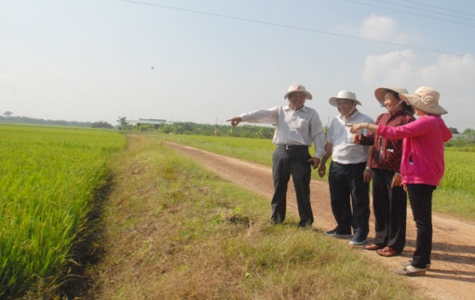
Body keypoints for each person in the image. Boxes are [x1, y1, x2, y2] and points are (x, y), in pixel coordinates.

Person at [347, 86, 452, 276]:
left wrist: (363, 125)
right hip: (419, 173)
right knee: (419, 220)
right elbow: (445, 136)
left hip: (420, 174)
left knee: (421, 221)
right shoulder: (435, 122)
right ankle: (421, 260)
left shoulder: (426, 121)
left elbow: (394, 134)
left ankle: (419, 263)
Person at [227, 84, 325, 228]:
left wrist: (318, 155)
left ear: (305, 98)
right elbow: (260, 114)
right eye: (295, 95)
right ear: (289, 98)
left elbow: (318, 134)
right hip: (281, 152)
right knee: (279, 186)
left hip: (301, 153)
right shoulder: (279, 111)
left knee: (302, 188)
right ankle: (277, 219)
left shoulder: (311, 113)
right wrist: (242, 117)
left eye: (301, 96)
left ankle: (306, 222)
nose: (298, 98)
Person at [354, 87, 415, 257]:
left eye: (388, 98)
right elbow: (374, 139)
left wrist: (401, 171)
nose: (385, 102)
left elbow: (410, 148)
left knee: (395, 206)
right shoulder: (382, 117)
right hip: (378, 165)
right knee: (379, 205)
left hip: (394, 169)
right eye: (384, 99)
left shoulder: (408, 119)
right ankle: (381, 239)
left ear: (401, 100)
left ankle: (395, 244)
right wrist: (361, 138)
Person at [317, 90, 374, 245]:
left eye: (345, 103)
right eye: (339, 103)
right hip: (337, 165)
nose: (341, 106)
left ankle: (360, 232)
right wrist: (323, 163)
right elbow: (330, 144)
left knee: (359, 200)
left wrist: (369, 167)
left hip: (358, 165)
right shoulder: (335, 121)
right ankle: (343, 228)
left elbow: (372, 146)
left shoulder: (365, 120)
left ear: (354, 104)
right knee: (338, 199)